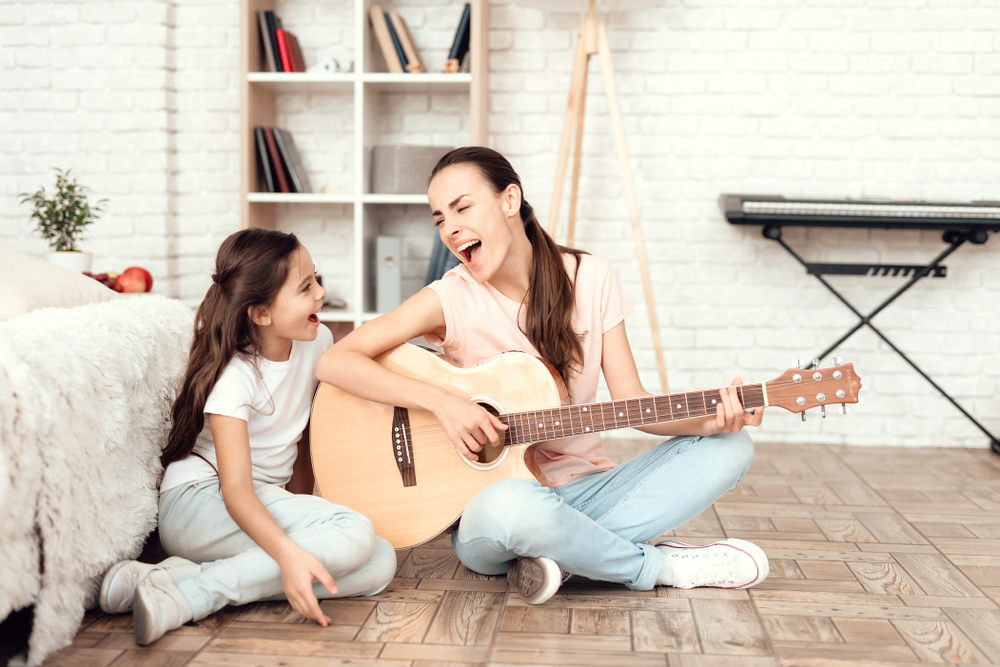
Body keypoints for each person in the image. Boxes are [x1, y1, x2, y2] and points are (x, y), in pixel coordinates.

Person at [317, 147, 768, 605]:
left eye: (462, 207)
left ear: (509, 200)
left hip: (589, 491)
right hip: (497, 508)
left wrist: (710, 422)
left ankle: (558, 556)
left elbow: (635, 401)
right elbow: (335, 361)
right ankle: (657, 566)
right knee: (513, 508)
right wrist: (443, 402)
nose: (449, 229)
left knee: (731, 447)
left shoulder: (592, 279)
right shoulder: (452, 297)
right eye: (439, 219)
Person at [99, 229, 396, 645]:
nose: (321, 294)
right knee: (354, 532)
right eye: (306, 287)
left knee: (378, 562)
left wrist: (304, 507)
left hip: (257, 502)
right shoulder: (237, 377)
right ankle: (192, 596)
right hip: (201, 504)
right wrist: (289, 554)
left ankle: (161, 580)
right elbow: (236, 489)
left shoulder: (319, 342)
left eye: (318, 279)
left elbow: (308, 434)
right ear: (261, 313)